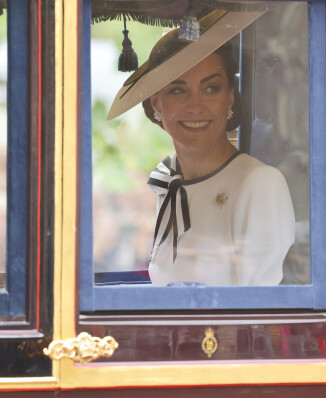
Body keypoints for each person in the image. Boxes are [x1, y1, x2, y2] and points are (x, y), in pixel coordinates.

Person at [108, 11, 295, 286]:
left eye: (211, 89)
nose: (195, 106)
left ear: (230, 95)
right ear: (156, 102)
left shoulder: (260, 184)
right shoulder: (169, 180)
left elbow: (259, 315)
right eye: (178, 90)